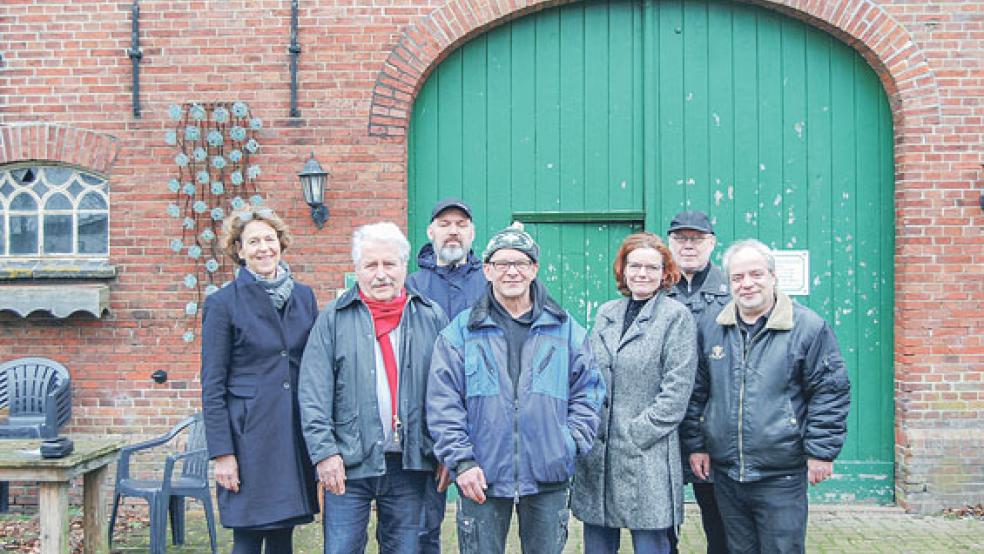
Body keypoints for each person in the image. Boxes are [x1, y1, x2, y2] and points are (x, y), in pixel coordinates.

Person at [428, 223, 606, 554]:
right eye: (502, 264)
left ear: (534, 269)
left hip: (547, 475)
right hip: (481, 475)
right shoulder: (461, 332)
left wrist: (567, 443)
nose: (512, 271)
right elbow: (443, 403)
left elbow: (590, 391)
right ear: (487, 270)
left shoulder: (565, 330)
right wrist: (461, 462)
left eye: (521, 263)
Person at [682, 239, 851, 554]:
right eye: (737, 277)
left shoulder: (808, 328)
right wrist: (697, 446)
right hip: (727, 473)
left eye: (756, 274)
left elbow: (829, 391)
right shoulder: (712, 326)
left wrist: (822, 452)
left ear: (773, 277)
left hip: (781, 474)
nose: (747, 284)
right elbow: (697, 392)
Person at [298, 222, 448, 554]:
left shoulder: (430, 316)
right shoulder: (334, 319)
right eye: (371, 265)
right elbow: (313, 392)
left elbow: (447, 392)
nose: (381, 274)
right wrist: (324, 453)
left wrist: (447, 450)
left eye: (389, 264)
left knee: (406, 549)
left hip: (409, 462)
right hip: (347, 463)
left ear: (403, 267)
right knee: (341, 549)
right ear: (357, 270)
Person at [201, 207, 319, 554]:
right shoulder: (223, 304)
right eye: (253, 241)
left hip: (292, 431)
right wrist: (223, 454)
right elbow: (212, 384)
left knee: (283, 532)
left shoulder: (304, 297)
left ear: (281, 244)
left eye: (270, 239)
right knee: (249, 534)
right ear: (239, 250)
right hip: (248, 435)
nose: (263, 248)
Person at [571, 232, 697, 554]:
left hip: (647, 452)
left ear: (664, 273)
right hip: (600, 454)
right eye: (635, 265)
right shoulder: (607, 312)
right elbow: (588, 374)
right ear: (623, 270)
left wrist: (636, 432)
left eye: (651, 268)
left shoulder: (675, 317)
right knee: (597, 544)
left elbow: (677, 390)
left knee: (651, 544)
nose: (642, 274)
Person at [405, 198, 487, 554]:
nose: (452, 231)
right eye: (444, 223)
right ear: (430, 232)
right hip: (426, 418)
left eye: (460, 224)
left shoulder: (491, 281)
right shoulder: (410, 285)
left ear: (471, 233)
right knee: (423, 527)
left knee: (483, 527)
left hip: (483, 418)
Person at [665, 211, 730, 554]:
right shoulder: (653, 287)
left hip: (714, 421)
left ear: (712, 243)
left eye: (697, 239)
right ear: (669, 243)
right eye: (680, 239)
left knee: (719, 516)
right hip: (666, 423)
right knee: (662, 518)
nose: (688, 246)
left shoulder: (733, 289)